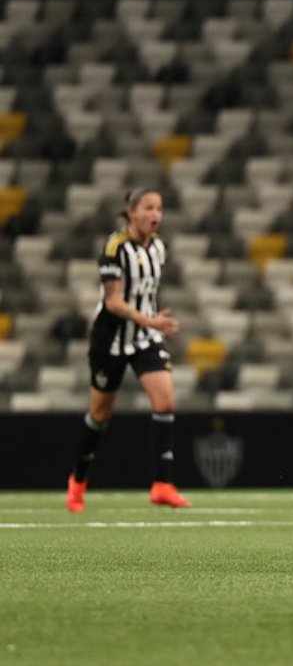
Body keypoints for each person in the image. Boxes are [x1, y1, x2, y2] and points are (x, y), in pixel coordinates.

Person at [66, 188, 189, 513]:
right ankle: (78, 481)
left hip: (146, 337)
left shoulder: (159, 247)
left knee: (165, 401)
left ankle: (162, 485)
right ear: (131, 211)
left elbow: (146, 293)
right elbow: (114, 302)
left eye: (159, 209)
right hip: (111, 338)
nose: (155, 215)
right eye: (148, 208)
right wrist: (151, 320)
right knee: (100, 415)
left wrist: (151, 323)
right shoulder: (115, 247)